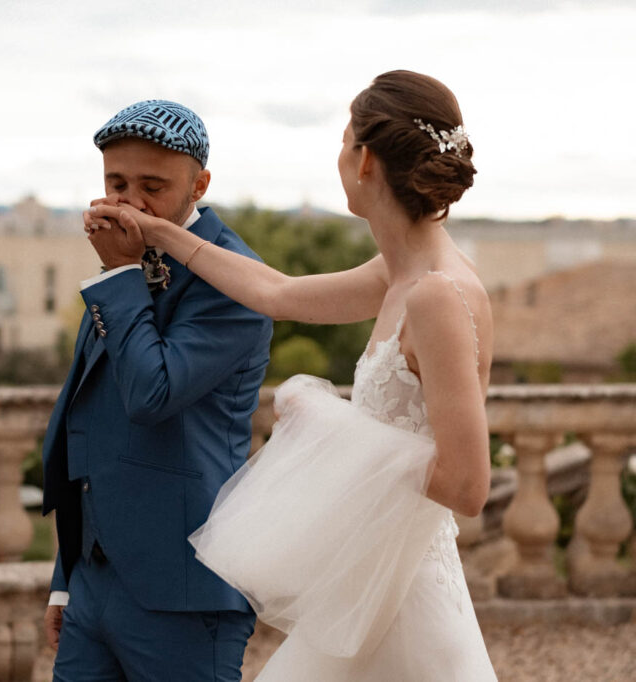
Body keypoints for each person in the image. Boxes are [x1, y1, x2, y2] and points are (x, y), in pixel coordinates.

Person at [89, 71, 499, 680]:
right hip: (368, 576)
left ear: (363, 162)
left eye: (343, 140)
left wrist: (331, 428)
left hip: (406, 594)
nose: (338, 155)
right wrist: (160, 234)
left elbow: (466, 485)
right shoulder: (399, 271)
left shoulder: (437, 294)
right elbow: (276, 292)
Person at [41, 99, 274, 681]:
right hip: (93, 581)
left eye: (152, 186)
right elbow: (86, 420)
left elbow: (152, 395)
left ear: (200, 184)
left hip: (186, 590)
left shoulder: (234, 281)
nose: (130, 202)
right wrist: (67, 578)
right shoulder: (121, 261)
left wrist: (119, 276)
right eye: (115, 182)